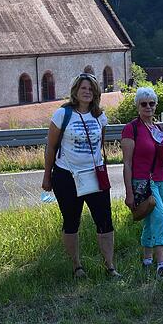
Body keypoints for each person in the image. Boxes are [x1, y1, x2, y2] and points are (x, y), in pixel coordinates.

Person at [42, 73, 119, 280]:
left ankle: (110, 266)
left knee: (105, 221)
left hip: (95, 176)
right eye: (83, 88)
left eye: (91, 89)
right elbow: (50, 146)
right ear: (75, 91)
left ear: (96, 93)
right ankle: (77, 267)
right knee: (71, 221)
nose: (87, 92)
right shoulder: (62, 114)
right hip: (67, 176)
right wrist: (47, 176)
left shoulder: (100, 116)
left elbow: (99, 145)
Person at [121, 87, 163, 281]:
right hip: (144, 182)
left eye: (151, 103)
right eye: (144, 103)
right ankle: (162, 265)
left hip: (162, 179)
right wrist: (129, 193)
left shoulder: (158, 129)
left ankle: (147, 259)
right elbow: (127, 163)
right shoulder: (131, 129)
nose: (148, 107)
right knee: (161, 219)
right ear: (137, 106)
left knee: (151, 221)